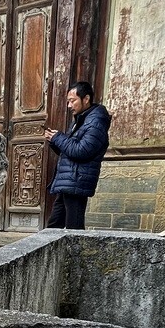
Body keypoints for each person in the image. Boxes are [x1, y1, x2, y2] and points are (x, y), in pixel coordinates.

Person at [45, 81, 111, 229]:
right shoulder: (81, 119)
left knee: (73, 228)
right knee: (54, 225)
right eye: (68, 101)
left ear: (86, 99)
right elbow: (69, 151)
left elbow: (82, 151)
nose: (69, 106)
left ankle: (74, 253)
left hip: (77, 181)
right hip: (68, 181)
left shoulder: (96, 122)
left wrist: (58, 138)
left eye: (72, 101)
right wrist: (54, 141)